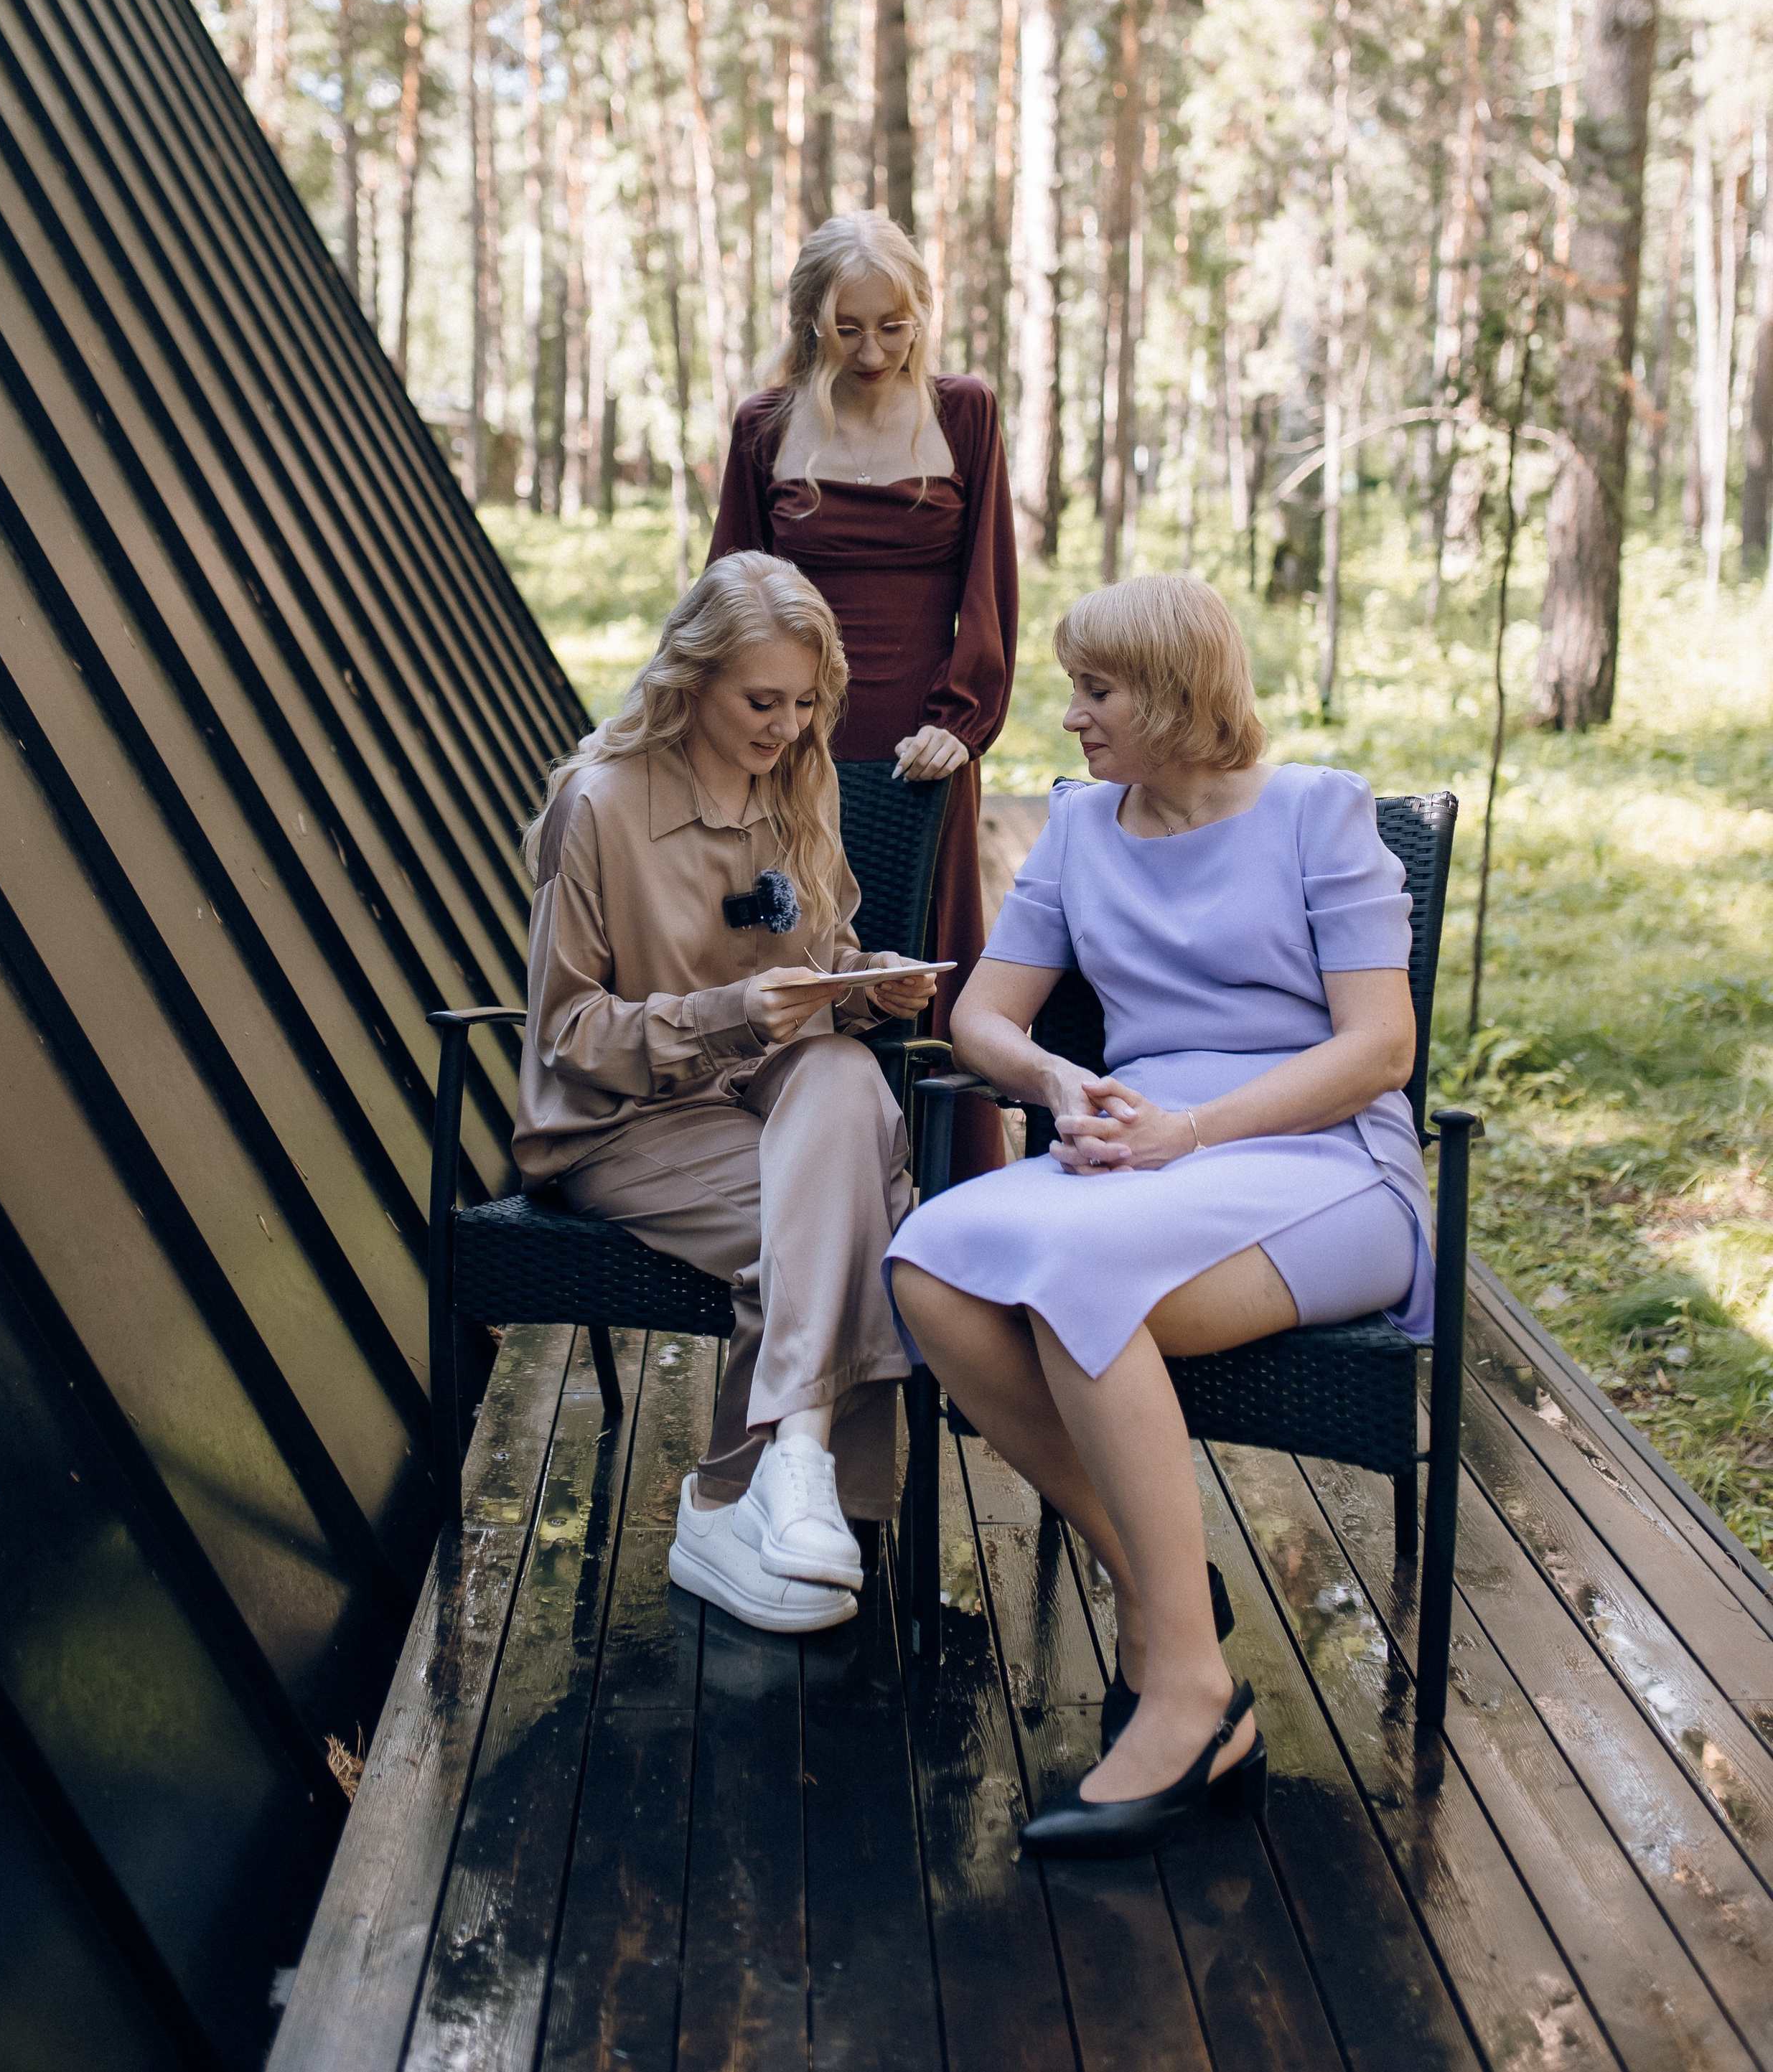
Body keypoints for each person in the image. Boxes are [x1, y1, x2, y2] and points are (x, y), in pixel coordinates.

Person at [885, 572, 1431, 1855]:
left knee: (1077, 1275)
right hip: (1137, 1161)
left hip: (1324, 1163)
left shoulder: (1320, 811)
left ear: (1178, 694)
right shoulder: (1082, 828)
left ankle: (1188, 1691)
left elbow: (1380, 1048)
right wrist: (1057, 1081)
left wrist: (1191, 1128)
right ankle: (1162, 1587)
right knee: (929, 1261)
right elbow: (981, 1014)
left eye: (1098, 691)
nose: (1071, 716)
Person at [514, 550, 939, 1635]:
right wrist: (728, 1013)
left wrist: (870, 986)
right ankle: (743, 1498)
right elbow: (565, 1033)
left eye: (806, 702)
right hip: (626, 1123)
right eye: (763, 701)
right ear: (691, 676)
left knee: (843, 1069)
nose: (789, 727)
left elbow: (822, 962)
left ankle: (779, 1473)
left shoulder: (803, 785)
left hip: (779, 1093)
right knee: (855, 1223)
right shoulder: (598, 805)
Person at [710, 212, 1017, 1181]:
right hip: (787, 741)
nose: (875, 351)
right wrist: (745, 728)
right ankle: (808, 1188)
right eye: (849, 329)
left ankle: (951, 1208)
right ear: (810, 319)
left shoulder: (965, 412)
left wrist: (961, 722)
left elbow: (990, 586)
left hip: (922, 746)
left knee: (923, 970)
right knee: (796, 959)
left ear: (922, 313)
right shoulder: (766, 425)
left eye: (894, 326)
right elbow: (730, 594)